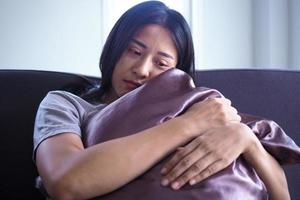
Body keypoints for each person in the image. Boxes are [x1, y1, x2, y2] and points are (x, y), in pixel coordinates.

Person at [33, 1, 290, 200]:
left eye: (161, 63)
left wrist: (247, 140)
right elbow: (66, 182)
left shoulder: (198, 107)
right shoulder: (67, 105)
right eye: (134, 51)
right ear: (114, 49)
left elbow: (282, 195)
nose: (142, 69)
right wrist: (189, 125)